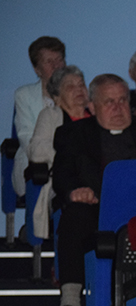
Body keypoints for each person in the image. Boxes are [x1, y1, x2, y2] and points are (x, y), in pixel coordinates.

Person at [51, 74, 136, 306]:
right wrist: (75, 191)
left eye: (122, 100)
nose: (118, 108)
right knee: (74, 213)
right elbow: (62, 174)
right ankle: (70, 302)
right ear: (92, 107)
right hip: (96, 210)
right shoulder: (73, 133)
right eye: (109, 102)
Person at [27, 65, 91, 240]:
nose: (79, 90)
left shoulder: (97, 115)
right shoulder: (50, 116)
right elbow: (37, 151)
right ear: (56, 96)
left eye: (82, 85)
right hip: (64, 181)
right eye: (71, 86)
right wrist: (74, 153)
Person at [13, 36, 66, 197]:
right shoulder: (24, 95)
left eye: (59, 60)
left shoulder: (77, 94)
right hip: (35, 167)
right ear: (37, 69)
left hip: (69, 165)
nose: (57, 66)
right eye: (49, 62)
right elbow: (26, 137)